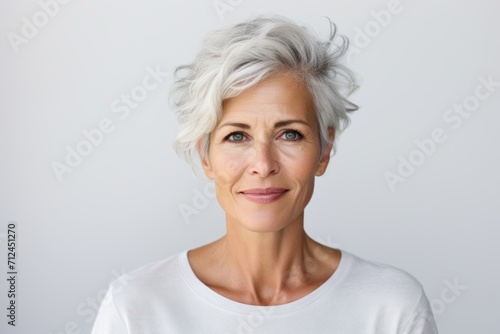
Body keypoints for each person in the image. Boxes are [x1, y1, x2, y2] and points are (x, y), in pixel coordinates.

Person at [91, 14, 439, 333]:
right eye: (236, 136)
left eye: (289, 134)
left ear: (324, 150)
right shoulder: (136, 307)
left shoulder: (393, 307)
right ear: (205, 155)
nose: (263, 163)